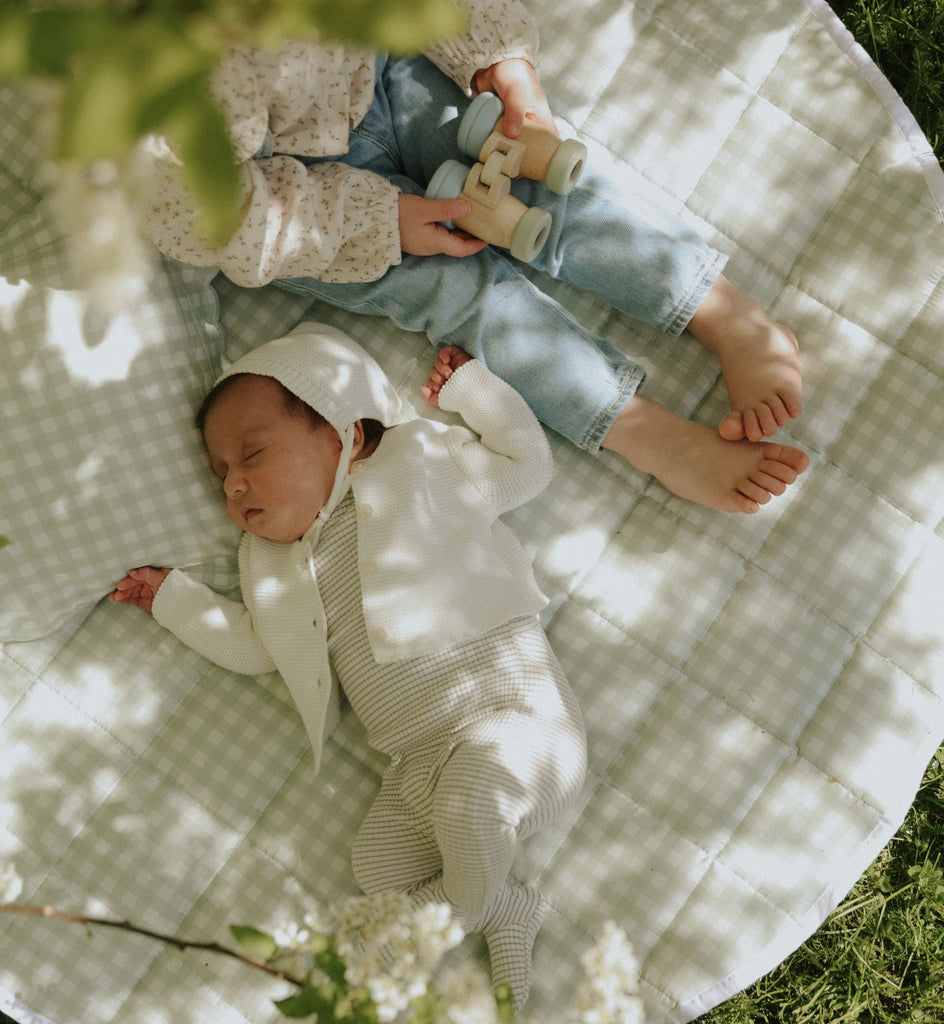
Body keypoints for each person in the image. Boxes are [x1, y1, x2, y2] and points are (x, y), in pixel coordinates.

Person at [140, 0, 809, 514]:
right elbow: (200, 210)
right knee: (460, 293)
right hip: (305, 199)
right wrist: (383, 222)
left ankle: (720, 310)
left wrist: (502, 66)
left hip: (383, 63)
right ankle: (639, 428)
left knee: (537, 180)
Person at [110, 323, 587, 1008]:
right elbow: (253, 646)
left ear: (346, 433)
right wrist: (174, 601)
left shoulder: (419, 466)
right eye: (221, 475)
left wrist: (475, 392)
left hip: (516, 724)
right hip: (418, 763)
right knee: (377, 866)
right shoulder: (271, 563)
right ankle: (500, 908)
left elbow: (525, 465)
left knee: (471, 800)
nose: (234, 484)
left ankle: (439, 950)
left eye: (251, 454)